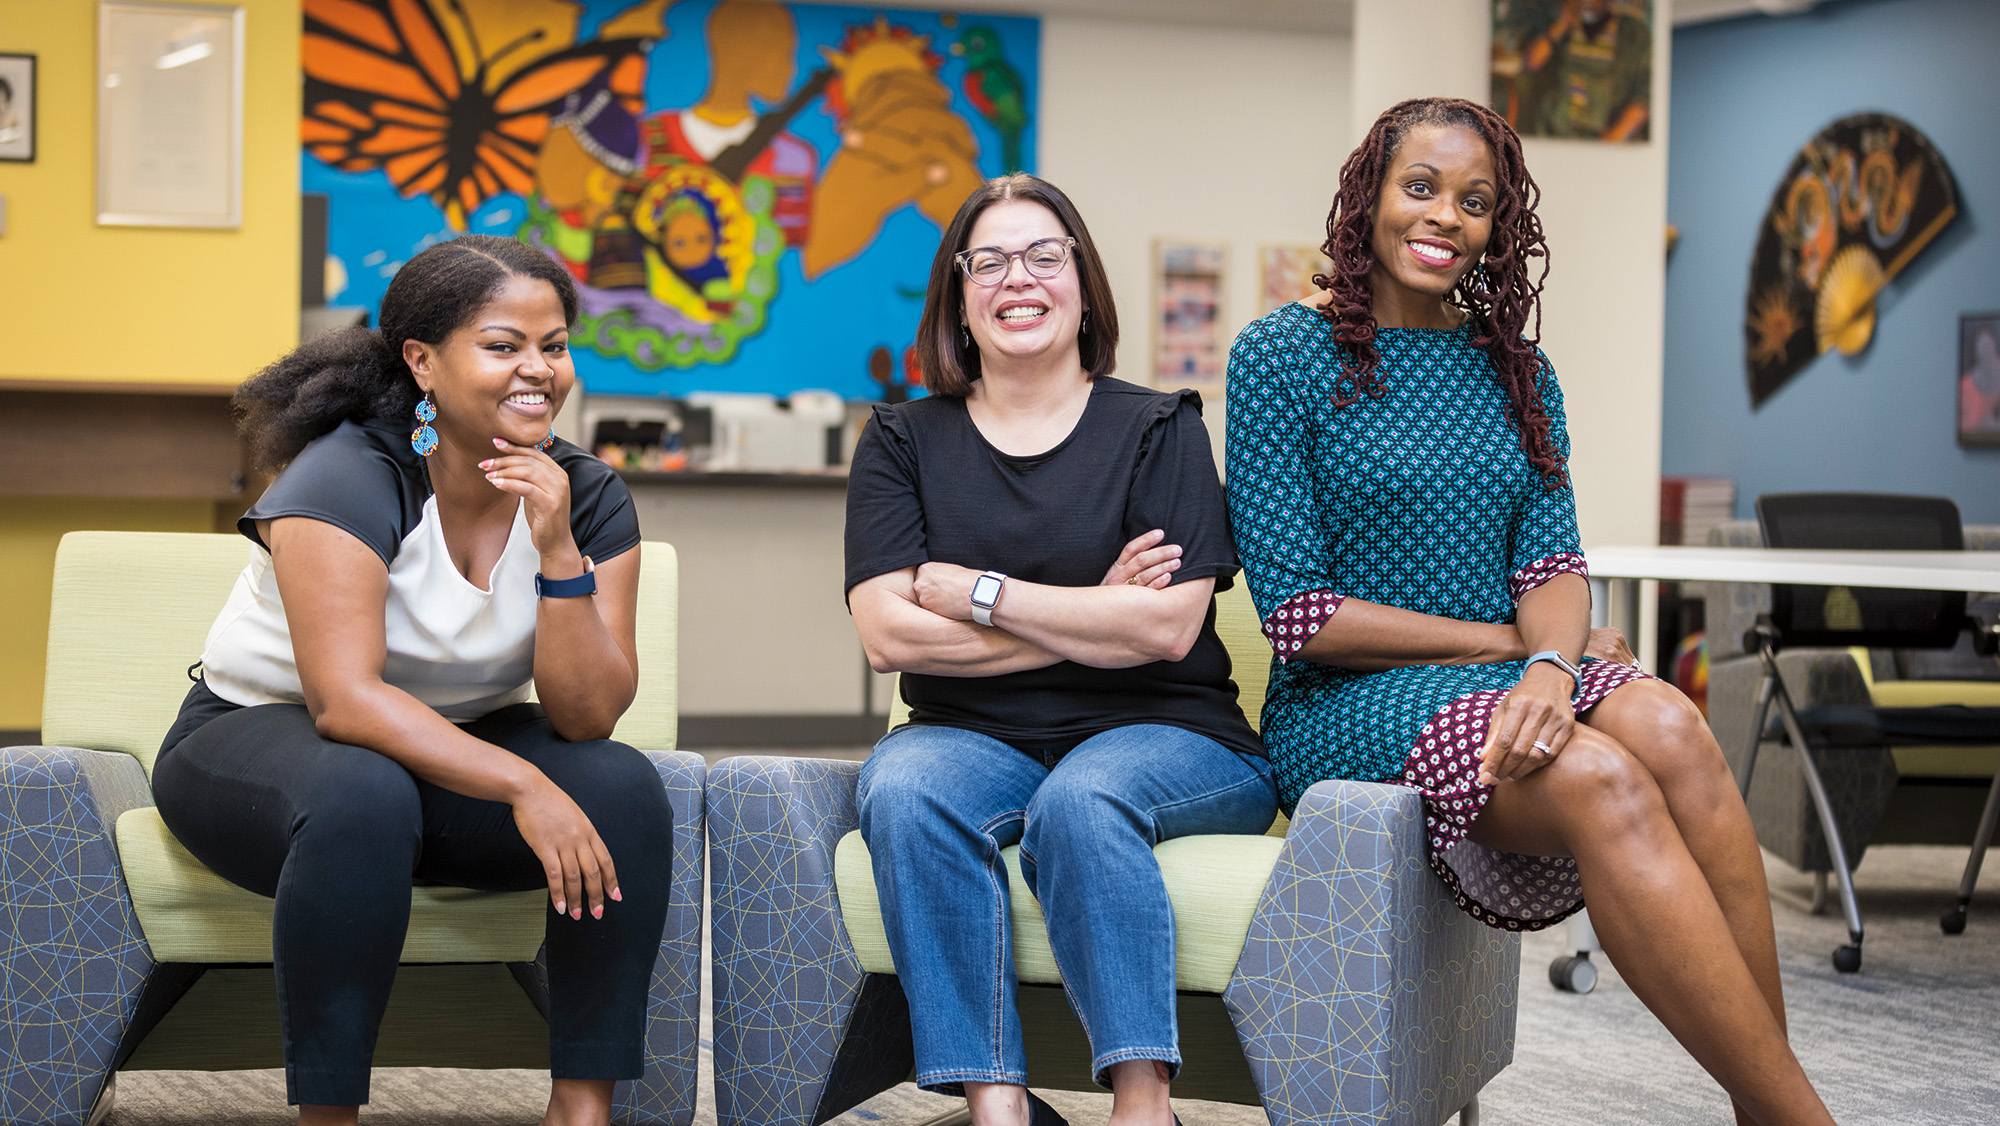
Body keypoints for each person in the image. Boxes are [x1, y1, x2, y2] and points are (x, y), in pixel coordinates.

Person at [1225, 98, 1836, 1126]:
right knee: (1599, 777)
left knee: (1672, 728)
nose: (1443, 217)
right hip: (1344, 704)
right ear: (1367, 195)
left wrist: (1549, 669)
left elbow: (1551, 559)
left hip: (1508, 670)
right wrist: (1511, 645)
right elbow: (1297, 617)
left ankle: (1760, 1106)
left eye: (1474, 201)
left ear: (1497, 227)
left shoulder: (1516, 370)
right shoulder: (1280, 356)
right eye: (1418, 186)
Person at [152, 234, 673, 1126]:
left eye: (554, 346)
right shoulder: (346, 476)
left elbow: (586, 718)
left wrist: (557, 552)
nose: (538, 371)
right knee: (363, 790)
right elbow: (345, 701)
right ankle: (329, 1113)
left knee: (621, 787)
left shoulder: (583, 493)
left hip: (447, 753)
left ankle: (581, 1111)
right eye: (503, 345)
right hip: (261, 739)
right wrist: (521, 784)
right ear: (422, 362)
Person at [845, 173, 1275, 1126]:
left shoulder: (1162, 428)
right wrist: (1093, 618)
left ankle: (1140, 1105)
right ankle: (999, 1107)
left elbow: (1165, 629)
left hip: (1169, 731)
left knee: (1082, 799)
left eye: (1046, 255)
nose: (1019, 279)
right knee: (903, 787)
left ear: (1084, 282)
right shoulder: (901, 440)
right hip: (966, 736)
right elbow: (885, 634)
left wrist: (979, 596)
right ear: (958, 294)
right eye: (988, 261)